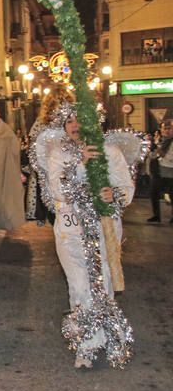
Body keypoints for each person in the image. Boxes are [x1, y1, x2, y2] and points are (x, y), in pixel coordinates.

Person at [33, 105, 135, 369]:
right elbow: (58, 190)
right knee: (79, 284)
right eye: (69, 121)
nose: (75, 125)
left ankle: (107, 335)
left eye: (81, 120)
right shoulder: (58, 154)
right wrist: (81, 165)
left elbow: (125, 187)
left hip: (105, 228)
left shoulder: (110, 152)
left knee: (104, 282)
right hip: (71, 229)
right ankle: (85, 343)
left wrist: (115, 195)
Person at [26, 85, 75, 225]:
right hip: (66, 175)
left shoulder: (40, 124)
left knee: (58, 217)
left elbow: (32, 152)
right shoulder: (72, 122)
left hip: (51, 177)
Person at [147, 119, 173, 223]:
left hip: (170, 171)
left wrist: (156, 151)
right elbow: (153, 155)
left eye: (169, 128)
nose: (167, 131)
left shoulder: (167, 142)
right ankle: (156, 215)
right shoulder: (160, 140)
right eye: (164, 128)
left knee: (171, 195)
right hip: (158, 171)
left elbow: (161, 154)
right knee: (153, 193)